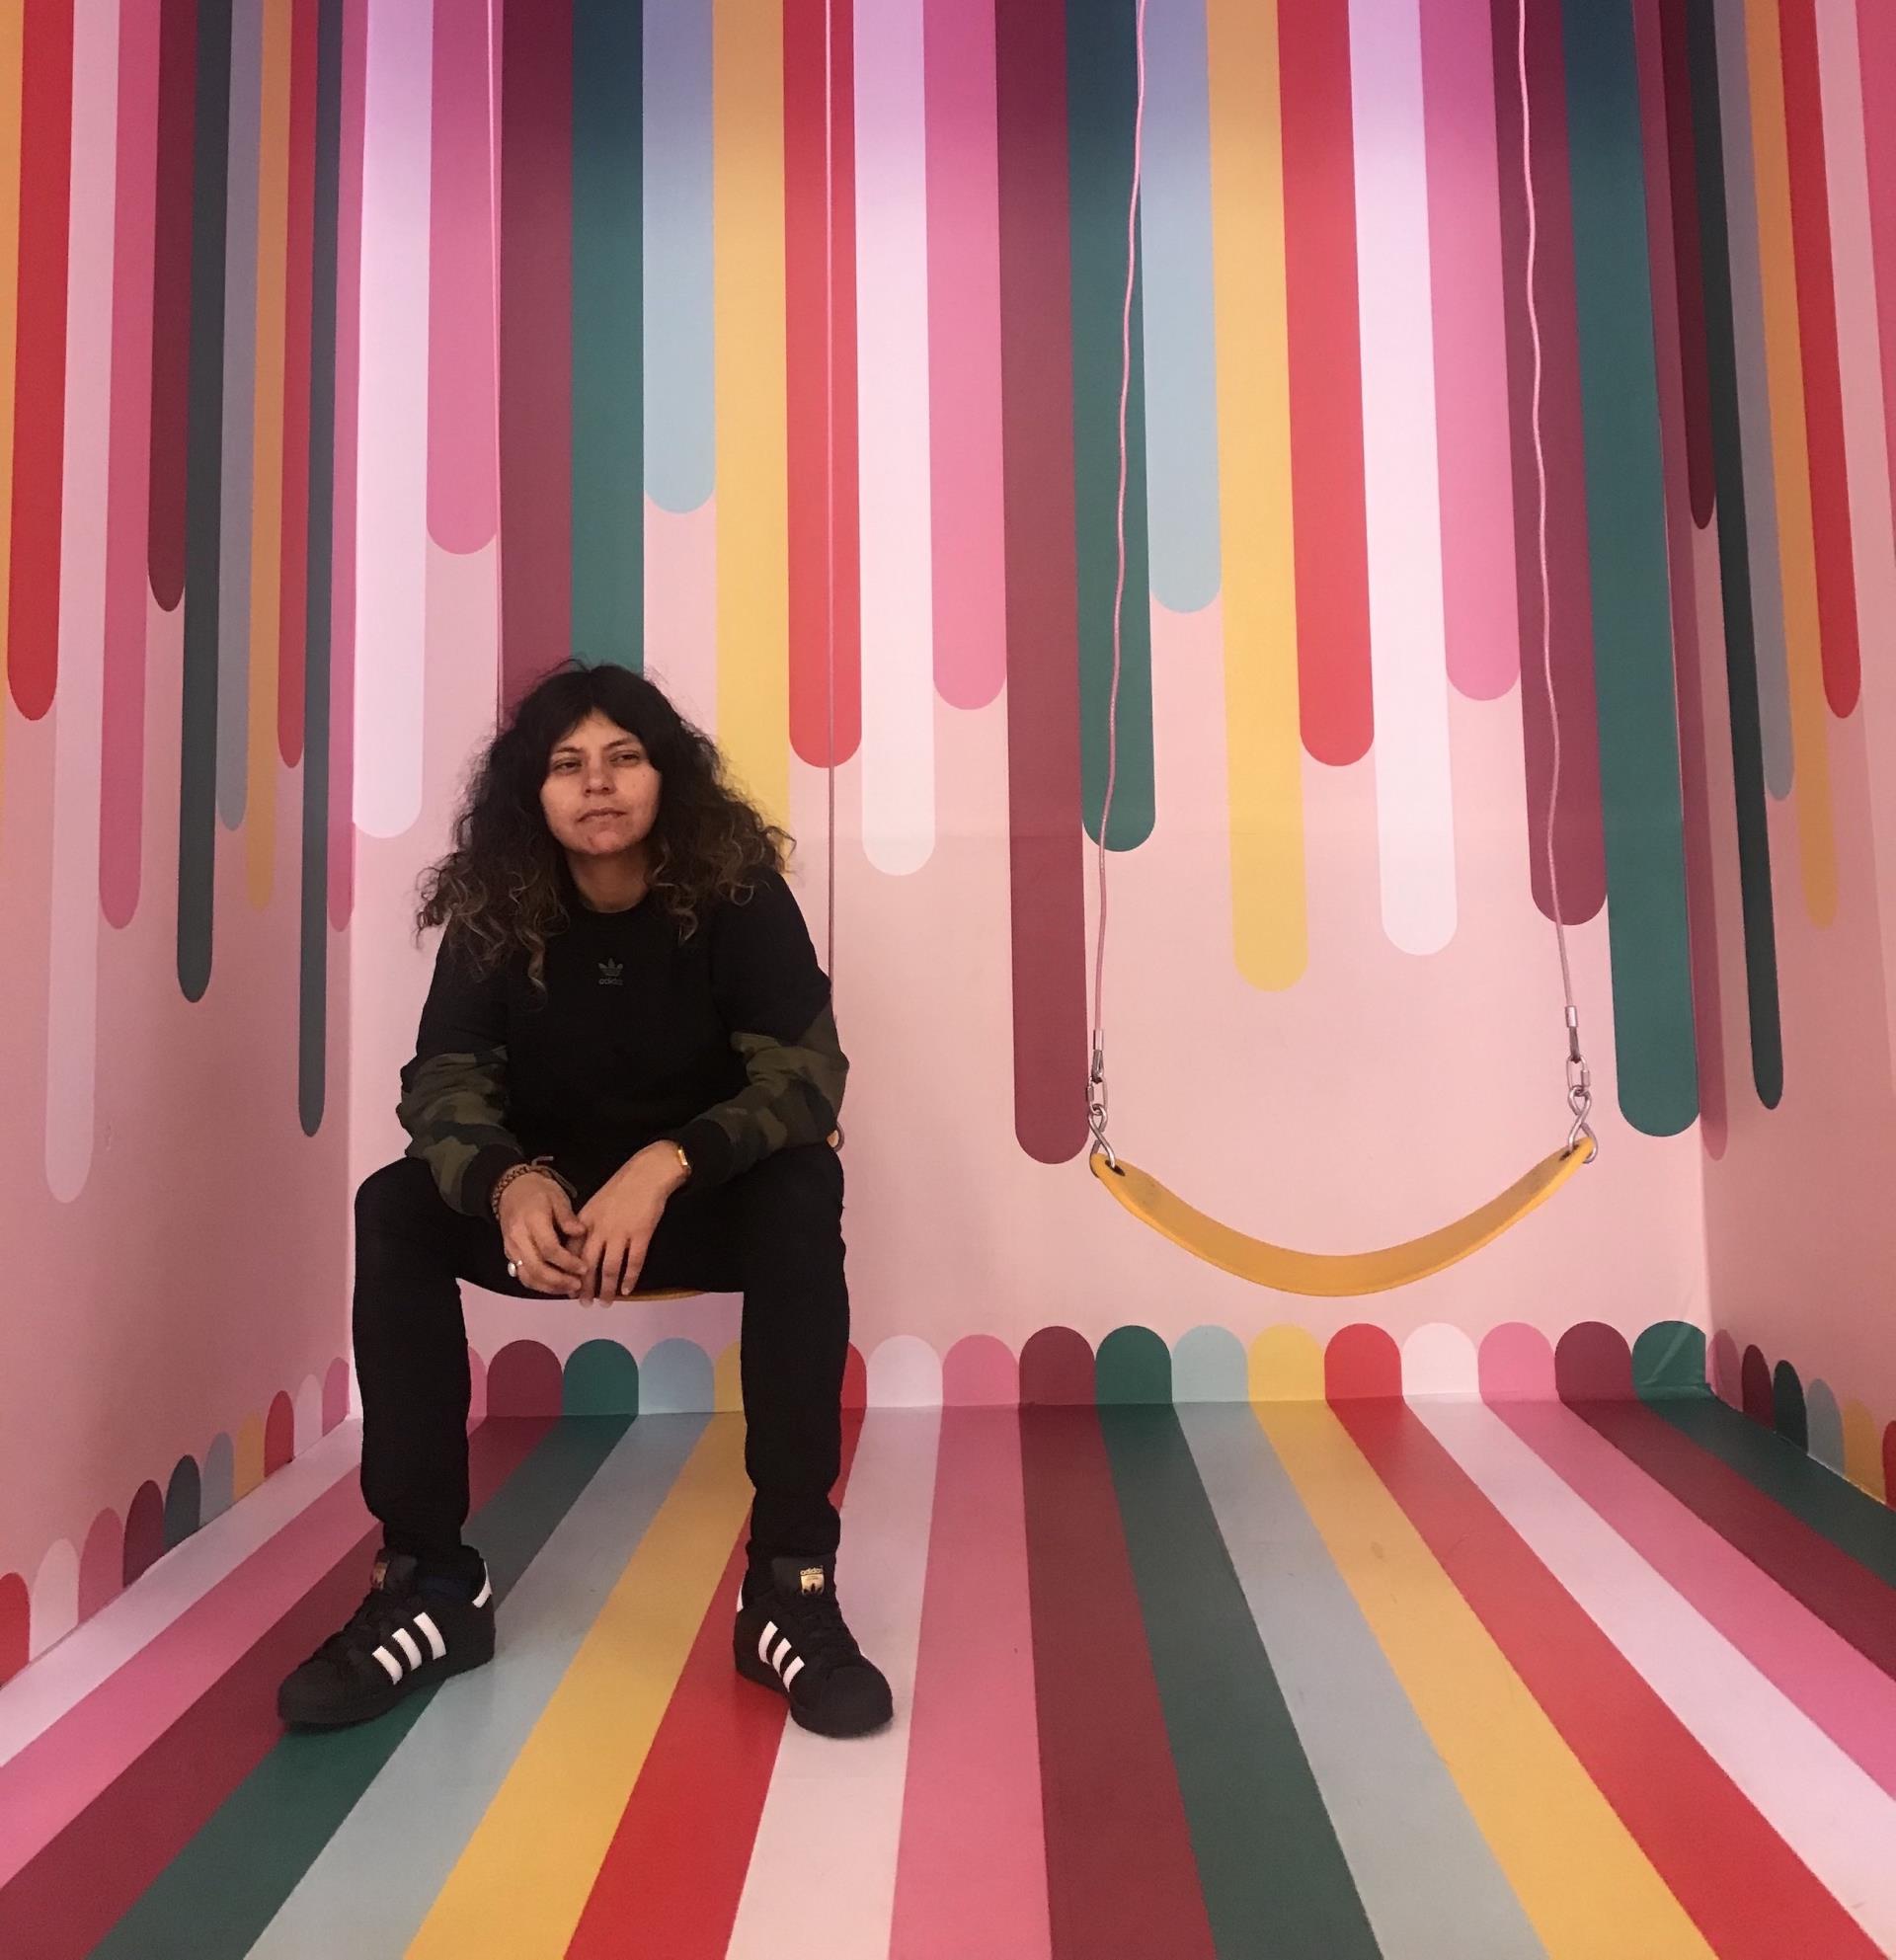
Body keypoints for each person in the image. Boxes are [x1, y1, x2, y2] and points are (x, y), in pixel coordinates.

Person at [277, 663, 891, 1740]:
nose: (597, 785)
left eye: (624, 758)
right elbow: (447, 1073)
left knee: (806, 1183)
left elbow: (804, 1074)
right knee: (396, 1204)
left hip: (697, 1195)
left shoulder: (736, 890)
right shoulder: (498, 903)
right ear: (534, 789)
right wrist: (508, 1179)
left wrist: (667, 1163)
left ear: (668, 777)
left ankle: (788, 1586)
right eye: (569, 764)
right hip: (550, 1215)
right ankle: (429, 1583)